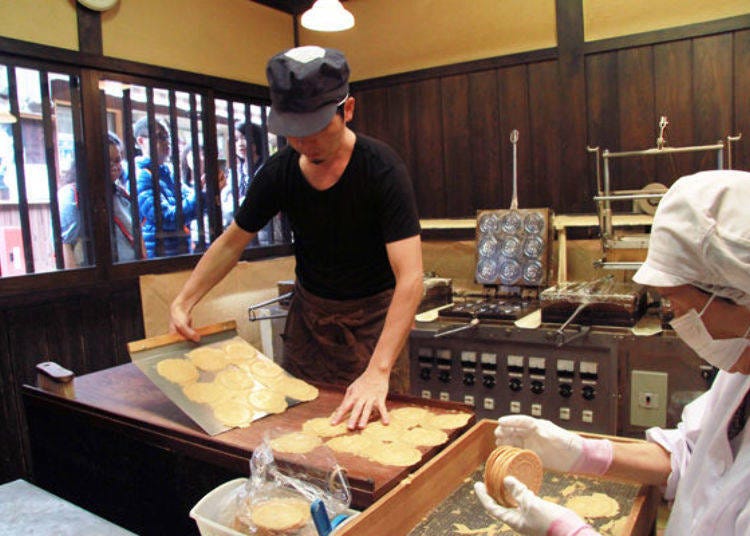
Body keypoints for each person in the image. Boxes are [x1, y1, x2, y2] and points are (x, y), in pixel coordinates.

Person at [474, 169, 750, 535]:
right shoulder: (738, 375)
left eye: (682, 305)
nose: (678, 320)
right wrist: (581, 451)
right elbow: (690, 456)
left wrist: (566, 530)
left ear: (739, 292)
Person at [169, 46, 424, 430]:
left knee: (369, 437)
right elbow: (232, 241)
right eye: (293, 132)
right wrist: (184, 300)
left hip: (375, 324)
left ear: (348, 110)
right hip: (310, 322)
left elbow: (411, 278)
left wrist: (379, 370)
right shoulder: (279, 172)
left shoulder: (382, 169)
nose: (305, 143)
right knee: (300, 428)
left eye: (317, 129)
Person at [134, 116, 201, 257]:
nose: (167, 142)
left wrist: (202, 193)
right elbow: (166, 218)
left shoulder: (168, 173)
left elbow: (189, 200)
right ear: (141, 141)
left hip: (178, 252)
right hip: (160, 257)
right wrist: (201, 195)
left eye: (167, 137)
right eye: (160, 137)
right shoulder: (142, 176)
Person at [107, 131, 138, 262]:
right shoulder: (73, 197)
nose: (114, 167)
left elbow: (137, 235)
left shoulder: (123, 195)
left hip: (130, 270)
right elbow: (67, 244)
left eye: (117, 160)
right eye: (108, 161)